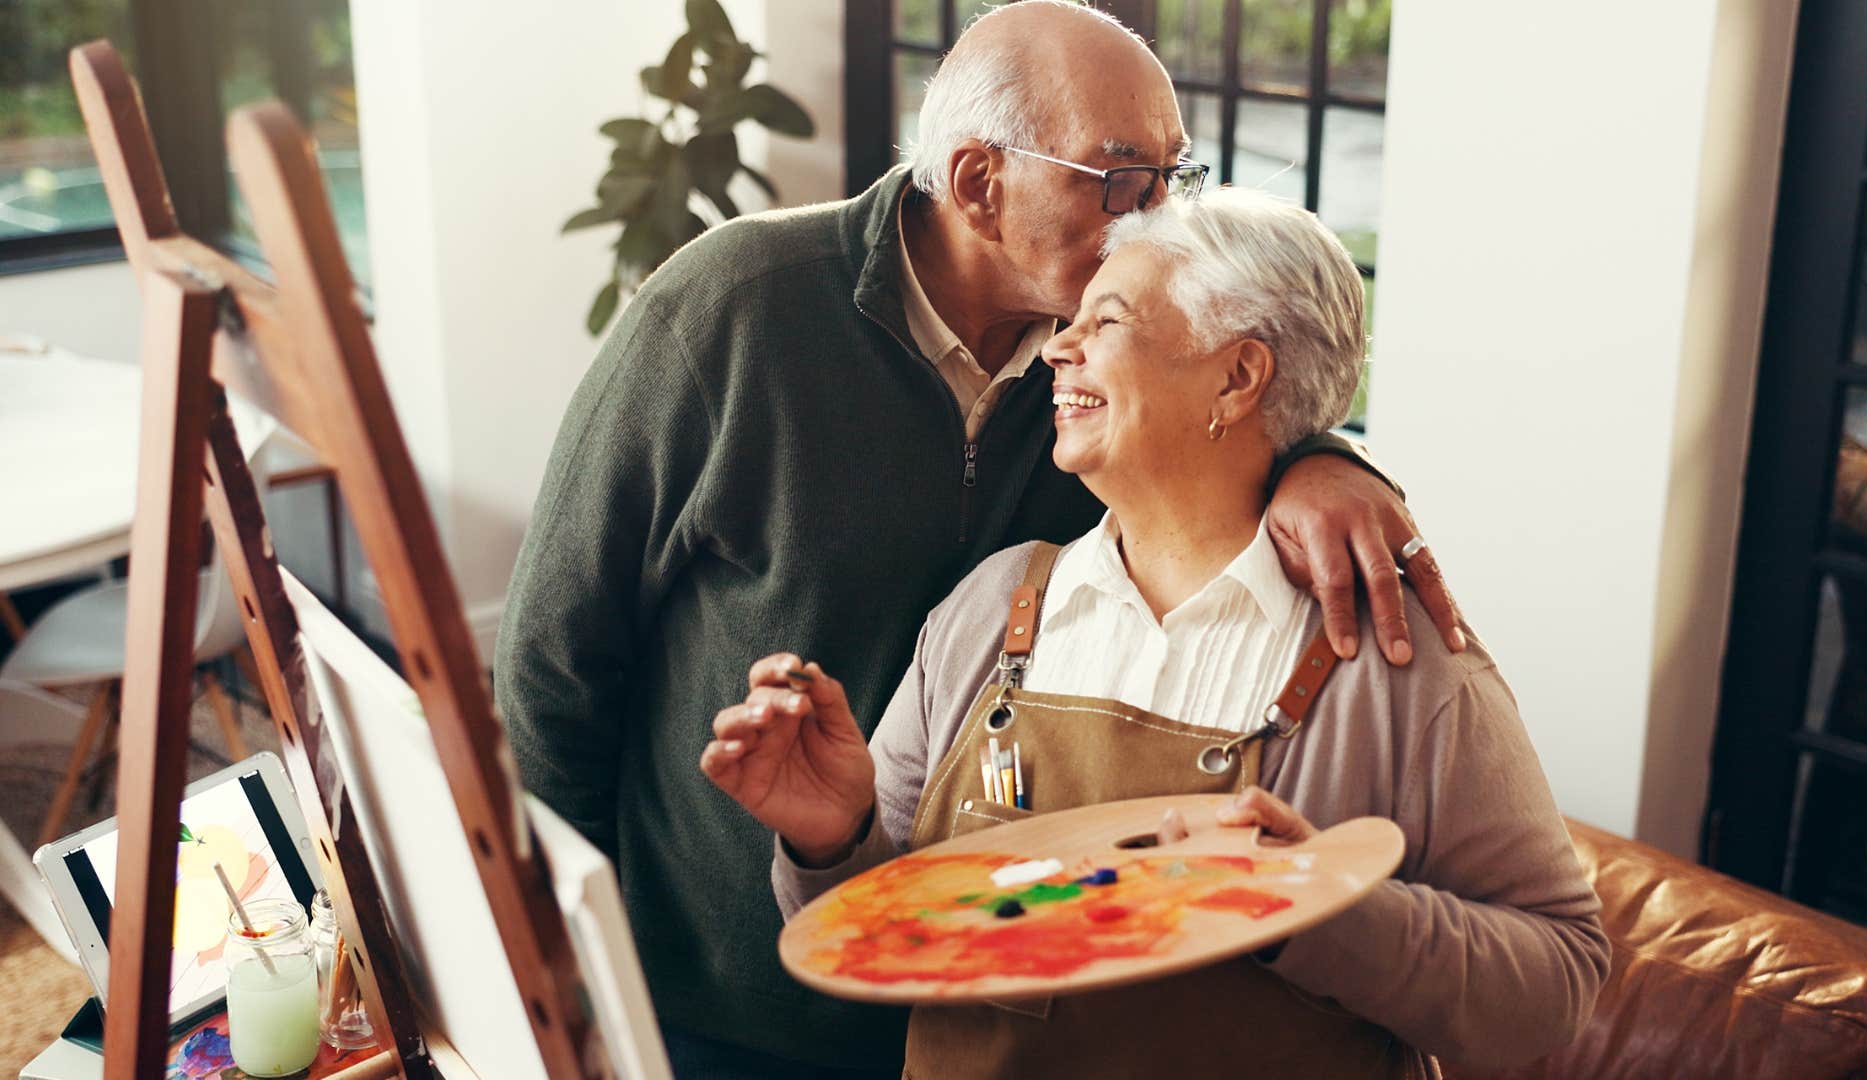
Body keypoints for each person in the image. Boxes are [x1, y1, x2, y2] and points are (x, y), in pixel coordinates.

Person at [497, 3, 1468, 1074]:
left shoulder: (1103, 370)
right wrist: (565, 960)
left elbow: (1233, 405)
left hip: (978, 1002)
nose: (1154, 221)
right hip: (719, 1001)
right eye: (1120, 177)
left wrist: (1330, 461)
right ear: (976, 185)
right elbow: (552, 664)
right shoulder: (729, 311)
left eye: (1172, 177)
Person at [703, 188, 1608, 1079]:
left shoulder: (1394, 660)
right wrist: (835, 837)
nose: (1059, 345)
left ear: (1237, 376)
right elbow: (880, 927)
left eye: (1109, 320)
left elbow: (1559, 979)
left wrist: (1317, 906)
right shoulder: (990, 608)